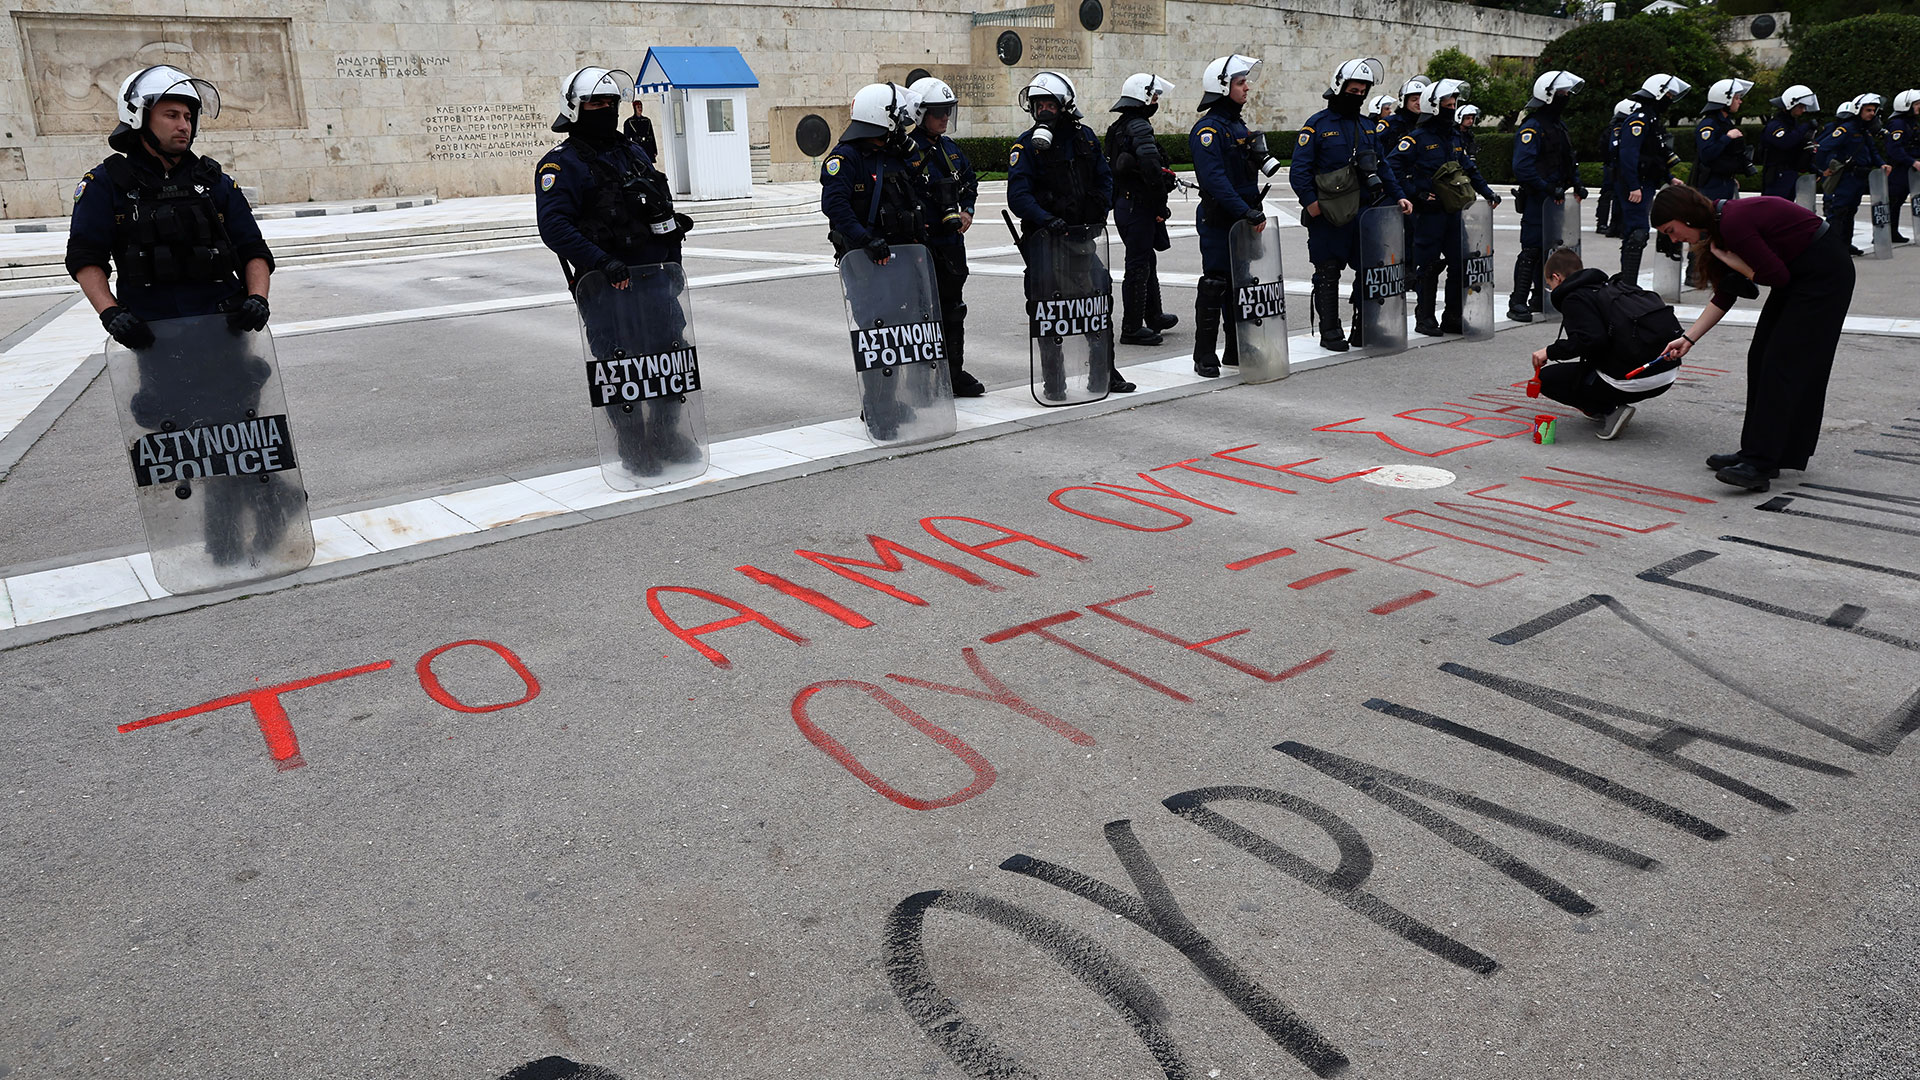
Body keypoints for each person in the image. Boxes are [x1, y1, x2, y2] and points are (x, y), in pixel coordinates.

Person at [67, 65, 292, 566]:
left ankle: (233, 542)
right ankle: (253, 523)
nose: (183, 125)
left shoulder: (212, 181)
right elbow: (85, 257)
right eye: (171, 114)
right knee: (190, 441)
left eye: (188, 116)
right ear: (140, 117)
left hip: (223, 333)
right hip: (157, 340)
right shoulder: (107, 184)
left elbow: (253, 248)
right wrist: (111, 313)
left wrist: (258, 297)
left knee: (238, 439)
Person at [537, 66, 695, 475]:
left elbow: (656, 200)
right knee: (620, 366)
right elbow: (554, 227)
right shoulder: (562, 164)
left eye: (610, 102)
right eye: (595, 102)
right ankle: (633, 445)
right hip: (608, 284)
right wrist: (600, 260)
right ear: (574, 108)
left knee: (668, 358)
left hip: (655, 279)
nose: (605, 108)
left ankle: (665, 435)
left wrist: (673, 228)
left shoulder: (632, 151)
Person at [1653, 185, 1854, 493]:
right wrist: (1688, 339)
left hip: (1824, 274)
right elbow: (1726, 294)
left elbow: (1776, 277)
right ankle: (1759, 452)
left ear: (1686, 217)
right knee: (1760, 356)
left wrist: (1733, 262)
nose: (1674, 239)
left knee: (1782, 363)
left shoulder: (1732, 223)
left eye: (1671, 230)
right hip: (1800, 275)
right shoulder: (1719, 228)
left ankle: (1759, 464)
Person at [820, 82, 935, 436]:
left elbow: (919, 184)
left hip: (899, 259)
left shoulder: (891, 153)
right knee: (876, 335)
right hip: (869, 262)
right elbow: (834, 206)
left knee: (898, 334)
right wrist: (865, 239)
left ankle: (890, 400)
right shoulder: (846, 158)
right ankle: (877, 408)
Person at [1291, 57, 1412, 352]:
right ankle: (1330, 331)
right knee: (1327, 273)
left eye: (1362, 91)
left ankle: (1363, 327)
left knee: (1369, 270)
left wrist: (1399, 195)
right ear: (1339, 86)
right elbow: (1299, 171)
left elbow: (1383, 166)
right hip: (1329, 216)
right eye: (1353, 89)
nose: (1357, 96)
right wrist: (1311, 204)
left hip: (1364, 213)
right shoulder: (1317, 125)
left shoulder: (1367, 126)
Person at [1008, 71, 1116, 398]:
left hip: (1082, 239)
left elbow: (1105, 178)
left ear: (1064, 105)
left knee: (1098, 302)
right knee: (1047, 310)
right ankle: (1053, 386)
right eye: (1037, 103)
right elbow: (1018, 196)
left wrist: (1100, 210)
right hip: (1046, 241)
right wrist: (1045, 218)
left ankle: (1104, 377)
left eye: (1049, 104)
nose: (1042, 109)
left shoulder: (1085, 138)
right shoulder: (1026, 146)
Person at [1526, 245, 1681, 440]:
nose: (1552, 290)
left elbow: (1591, 339)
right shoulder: (1610, 287)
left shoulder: (1574, 298)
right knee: (1591, 366)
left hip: (1634, 379)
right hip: (1666, 373)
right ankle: (1602, 403)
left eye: (1550, 285)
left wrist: (1550, 352)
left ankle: (1609, 410)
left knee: (1547, 379)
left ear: (1557, 278)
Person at [1389, 78, 1496, 336]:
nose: (1452, 108)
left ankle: (1452, 316)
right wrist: (1416, 193)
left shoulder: (1454, 138)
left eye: (1454, 104)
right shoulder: (1416, 139)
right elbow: (1393, 167)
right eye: (1448, 104)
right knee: (1427, 267)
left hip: (1454, 213)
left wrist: (1487, 191)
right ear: (1434, 107)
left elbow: (1468, 167)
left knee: (1460, 263)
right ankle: (1424, 318)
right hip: (1429, 215)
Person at [1190, 54, 1275, 374]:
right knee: (1215, 283)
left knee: (1241, 284)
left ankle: (1236, 347)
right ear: (1223, 86)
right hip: (1219, 219)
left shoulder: (1237, 125)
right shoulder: (1208, 130)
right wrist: (1246, 211)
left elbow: (1244, 178)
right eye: (1240, 83)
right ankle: (1204, 354)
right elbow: (1215, 181)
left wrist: (1255, 207)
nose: (1246, 88)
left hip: (1242, 216)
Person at [907, 76, 986, 397]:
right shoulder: (906, 151)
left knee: (954, 308)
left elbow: (969, 181)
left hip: (951, 243)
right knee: (920, 311)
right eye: (937, 111)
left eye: (947, 111)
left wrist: (967, 209)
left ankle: (953, 372)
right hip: (922, 245)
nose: (944, 118)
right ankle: (924, 377)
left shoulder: (951, 149)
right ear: (919, 113)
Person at [1105, 72, 1180, 351]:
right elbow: (1150, 167)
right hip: (1139, 205)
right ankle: (1132, 327)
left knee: (1146, 260)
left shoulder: (1119, 127)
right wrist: (1161, 203)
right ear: (1143, 97)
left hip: (1125, 205)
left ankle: (1154, 315)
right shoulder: (1139, 127)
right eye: (1155, 95)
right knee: (1138, 265)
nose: (1157, 100)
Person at [1506, 70, 1586, 323]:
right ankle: (1517, 301)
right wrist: (1547, 188)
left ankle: (1540, 298)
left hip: (1555, 199)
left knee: (1548, 250)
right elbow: (1523, 167)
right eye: (1562, 93)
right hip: (1537, 199)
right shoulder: (1532, 127)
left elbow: (1567, 159)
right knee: (1530, 249)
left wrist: (1577, 184)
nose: (1566, 97)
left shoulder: (1558, 126)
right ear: (1548, 96)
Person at [1617, 74, 1690, 283]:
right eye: (1668, 94)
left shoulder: (1652, 120)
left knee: (1638, 232)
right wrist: (1633, 185)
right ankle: (1627, 284)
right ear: (1657, 94)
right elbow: (1628, 155)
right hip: (1636, 184)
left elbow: (1656, 155)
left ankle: (1627, 283)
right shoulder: (1638, 120)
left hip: (1646, 183)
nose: (1670, 99)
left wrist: (1669, 177)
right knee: (1636, 233)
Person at [1816, 93, 1890, 256]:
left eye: (1873, 110)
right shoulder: (1847, 129)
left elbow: (1872, 151)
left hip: (1860, 177)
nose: (1872, 113)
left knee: (1850, 211)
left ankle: (1846, 244)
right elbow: (1823, 147)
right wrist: (1822, 169)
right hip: (1847, 177)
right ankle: (1833, 248)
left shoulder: (1864, 130)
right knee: (1838, 211)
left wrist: (1881, 163)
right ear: (1858, 110)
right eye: (1868, 110)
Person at [1693, 78, 1754, 202]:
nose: (1740, 101)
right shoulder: (1709, 124)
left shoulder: (1726, 123)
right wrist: (1727, 138)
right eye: (1736, 98)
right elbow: (1707, 154)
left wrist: (1730, 177)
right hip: (1712, 184)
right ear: (1725, 100)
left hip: (1725, 181)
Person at [1758, 85, 1820, 200]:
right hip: (1778, 174)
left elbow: (1797, 149)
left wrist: (1812, 168)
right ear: (1790, 105)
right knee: (1774, 208)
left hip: (1790, 172)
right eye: (1801, 106)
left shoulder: (1792, 124)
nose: (1803, 110)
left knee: (1787, 210)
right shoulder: (1776, 125)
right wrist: (1805, 127)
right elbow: (1786, 142)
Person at [1596, 98, 1635, 239]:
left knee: (1612, 195)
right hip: (1614, 167)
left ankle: (1610, 224)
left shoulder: (1613, 127)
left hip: (1612, 166)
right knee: (1612, 195)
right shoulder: (1619, 128)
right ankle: (1607, 224)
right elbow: (1614, 148)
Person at [1884, 89, 1917, 243]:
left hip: (1908, 168)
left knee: (1899, 200)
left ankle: (1892, 232)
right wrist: (1913, 162)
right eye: (1917, 104)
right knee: (1894, 200)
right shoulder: (1898, 123)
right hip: (1900, 168)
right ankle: (1888, 232)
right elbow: (1894, 149)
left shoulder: (1911, 123)